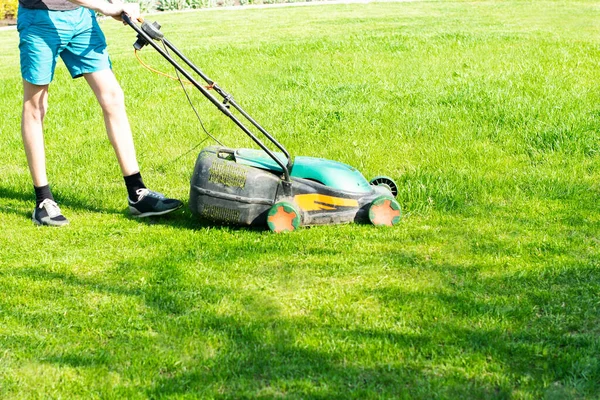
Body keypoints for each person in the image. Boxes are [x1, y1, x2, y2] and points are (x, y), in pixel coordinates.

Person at [17, 0, 182, 226]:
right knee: (36, 106)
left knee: (113, 97)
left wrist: (117, 4)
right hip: (39, 20)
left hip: (82, 19)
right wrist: (104, 6)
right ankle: (43, 202)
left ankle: (137, 193)